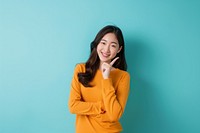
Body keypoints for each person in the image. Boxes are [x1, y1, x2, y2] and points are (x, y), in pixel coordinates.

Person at [68, 25, 130, 133]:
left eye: (113, 45)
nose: (106, 49)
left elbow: (114, 115)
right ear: (97, 44)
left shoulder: (123, 76)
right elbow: (73, 106)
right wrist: (101, 107)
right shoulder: (81, 69)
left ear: (119, 49)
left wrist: (106, 79)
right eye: (103, 43)